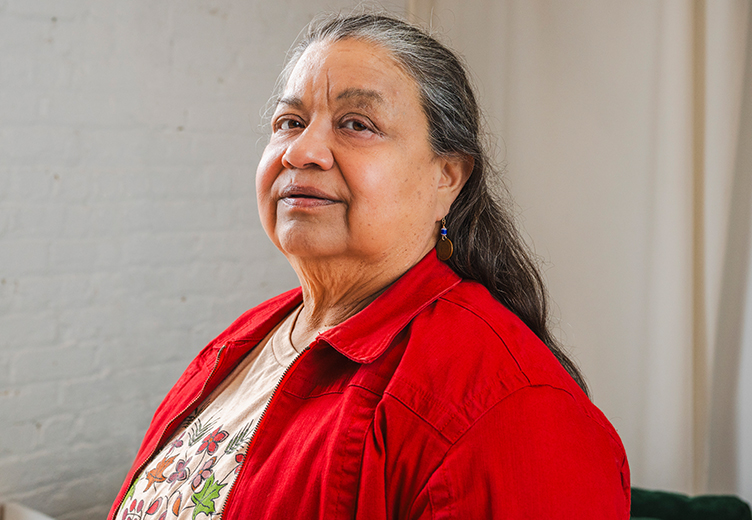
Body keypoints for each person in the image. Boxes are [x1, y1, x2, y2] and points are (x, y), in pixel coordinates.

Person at [109, 13, 629, 520]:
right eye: (290, 123)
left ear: (447, 177)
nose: (301, 152)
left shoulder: (511, 409)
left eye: (357, 124)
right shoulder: (245, 339)